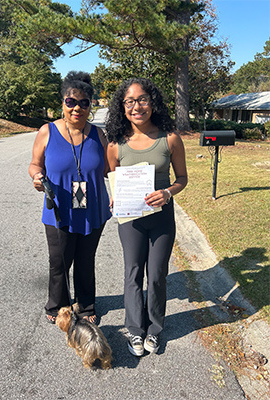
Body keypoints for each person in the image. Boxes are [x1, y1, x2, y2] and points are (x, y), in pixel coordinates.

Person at [106, 78, 188, 356]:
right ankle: (135, 331)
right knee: (132, 273)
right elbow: (113, 179)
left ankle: (154, 329)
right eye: (129, 101)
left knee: (156, 275)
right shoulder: (116, 144)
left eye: (142, 99)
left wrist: (167, 192)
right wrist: (114, 196)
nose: (136, 106)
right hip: (131, 221)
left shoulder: (170, 138)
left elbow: (183, 178)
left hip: (161, 218)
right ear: (122, 107)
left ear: (152, 102)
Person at [29, 71, 111, 324]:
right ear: (62, 103)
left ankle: (85, 307)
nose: (77, 108)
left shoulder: (99, 135)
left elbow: (112, 169)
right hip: (59, 208)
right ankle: (57, 305)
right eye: (71, 102)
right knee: (59, 261)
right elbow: (34, 164)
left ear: (90, 106)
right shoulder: (47, 131)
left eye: (84, 103)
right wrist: (37, 176)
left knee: (86, 261)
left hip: (92, 209)